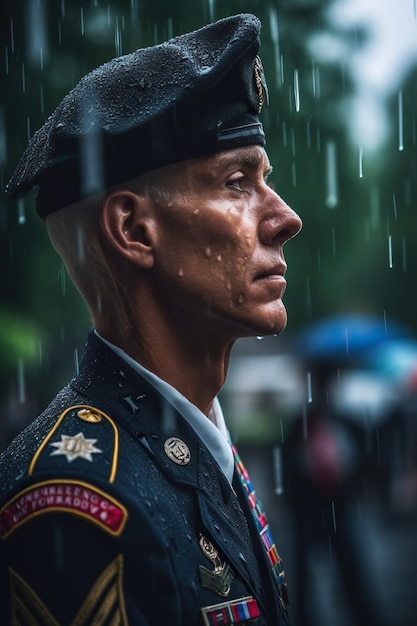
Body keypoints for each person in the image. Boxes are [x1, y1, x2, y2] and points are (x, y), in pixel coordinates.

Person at [0, 14, 301, 625]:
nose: (286, 217)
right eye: (238, 182)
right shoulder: (75, 503)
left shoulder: (187, 442)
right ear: (135, 230)